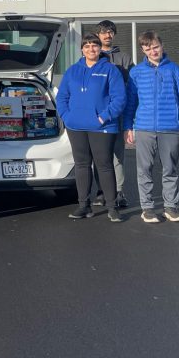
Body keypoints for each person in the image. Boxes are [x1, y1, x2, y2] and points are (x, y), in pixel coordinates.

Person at [123, 30, 179, 223]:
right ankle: (147, 208)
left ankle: (170, 207)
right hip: (144, 128)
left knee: (170, 169)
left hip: (169, 128)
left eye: (155, 46)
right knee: (144, 169)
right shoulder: (136, 72)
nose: (153, 51)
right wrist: (127, 126)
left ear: (162, 46)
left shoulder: (174, 70)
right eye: (148, 48)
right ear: (143, 50)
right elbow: (131, 102)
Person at [56, 33, 126, 222]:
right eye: (86, 46)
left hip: (102, 127)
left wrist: (103, 117)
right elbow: (62, 97)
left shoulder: (110, 70)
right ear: (82, 49)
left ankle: (112, 206)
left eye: (94, 45)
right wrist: (67, 117)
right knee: (82, 165)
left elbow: (119, 98)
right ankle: (83, 206)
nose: (91, 49)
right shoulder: (72, 71)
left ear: (99, 48)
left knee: (104, 165)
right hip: (76, 126)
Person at [92, 20, 133, 208]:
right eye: (103, 32)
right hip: (97, 114)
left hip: (118, 114)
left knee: (117, 155)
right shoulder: (92, 55)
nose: (107, 35)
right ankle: (101, 192)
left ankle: (118, 192)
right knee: (100, 155)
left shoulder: (124, 57)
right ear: (98, 35)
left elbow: (131, 86)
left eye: (110, 32)